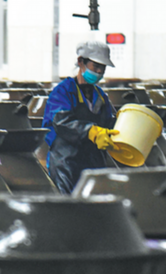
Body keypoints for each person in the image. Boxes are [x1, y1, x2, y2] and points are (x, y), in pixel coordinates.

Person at [42, 40, 118, 193]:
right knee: (69, 211)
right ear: (81, 62)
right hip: (67, 164)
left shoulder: (101, 96)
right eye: (95, 67)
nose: (98, 73)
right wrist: (91, 131)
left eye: (102, 69)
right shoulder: (63, 91)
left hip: (94, 164)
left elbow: (110, 124)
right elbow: (62, 122)